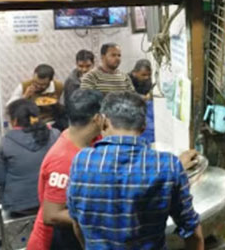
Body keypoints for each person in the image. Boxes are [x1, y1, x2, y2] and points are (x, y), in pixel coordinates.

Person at [67, 91, 204, 249]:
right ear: (143, 126)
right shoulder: (168, 165)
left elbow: (77, 225)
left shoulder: (81, 162)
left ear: (102, 121)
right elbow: (191, 229)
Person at [27, 89, 105, 250]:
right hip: (56, 242)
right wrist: (101, 215)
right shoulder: (63, 159)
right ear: (97, 119)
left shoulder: (92, 140)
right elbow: (52, 215)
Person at [0, 99, 59, 215]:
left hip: (19, 206)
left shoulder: (6, 142)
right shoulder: (55, 134)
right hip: (52, 201)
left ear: (14, 121)